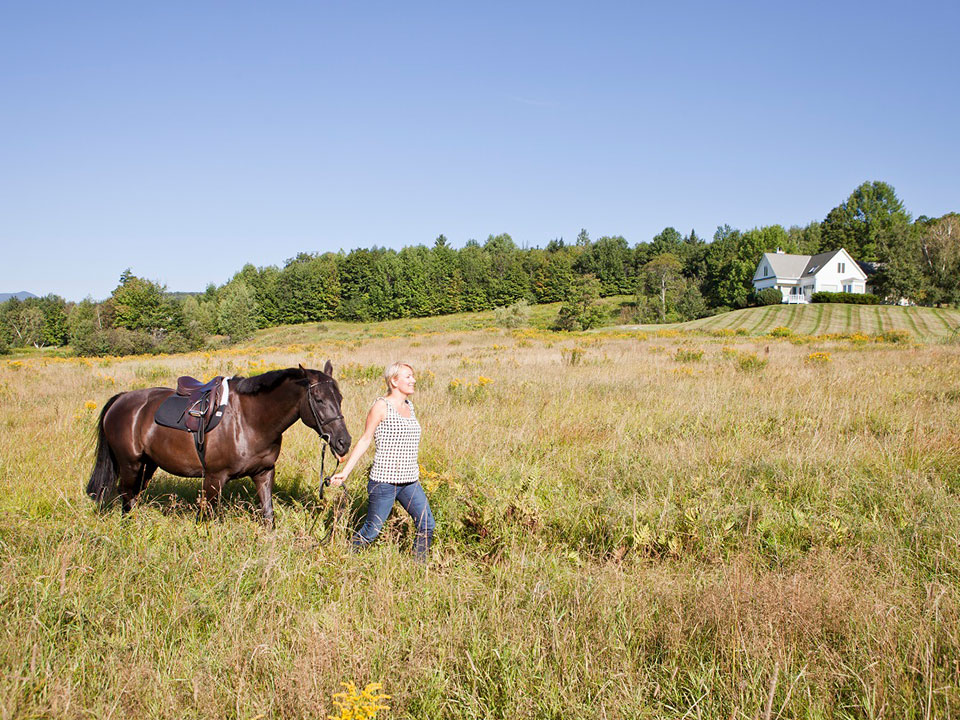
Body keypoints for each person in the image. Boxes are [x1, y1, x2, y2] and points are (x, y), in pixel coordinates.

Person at [329, 361, 435, 560]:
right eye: (408, 376)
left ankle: (419, 568)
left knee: (427, 524)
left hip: (410, 481)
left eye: (412, 376)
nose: (414, 380)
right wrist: (345, 472)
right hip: (384, 482)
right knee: (372, 531)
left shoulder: (409, 406)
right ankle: (345, 558)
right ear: (394, 381)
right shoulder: (381, 406)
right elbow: (365, 439)